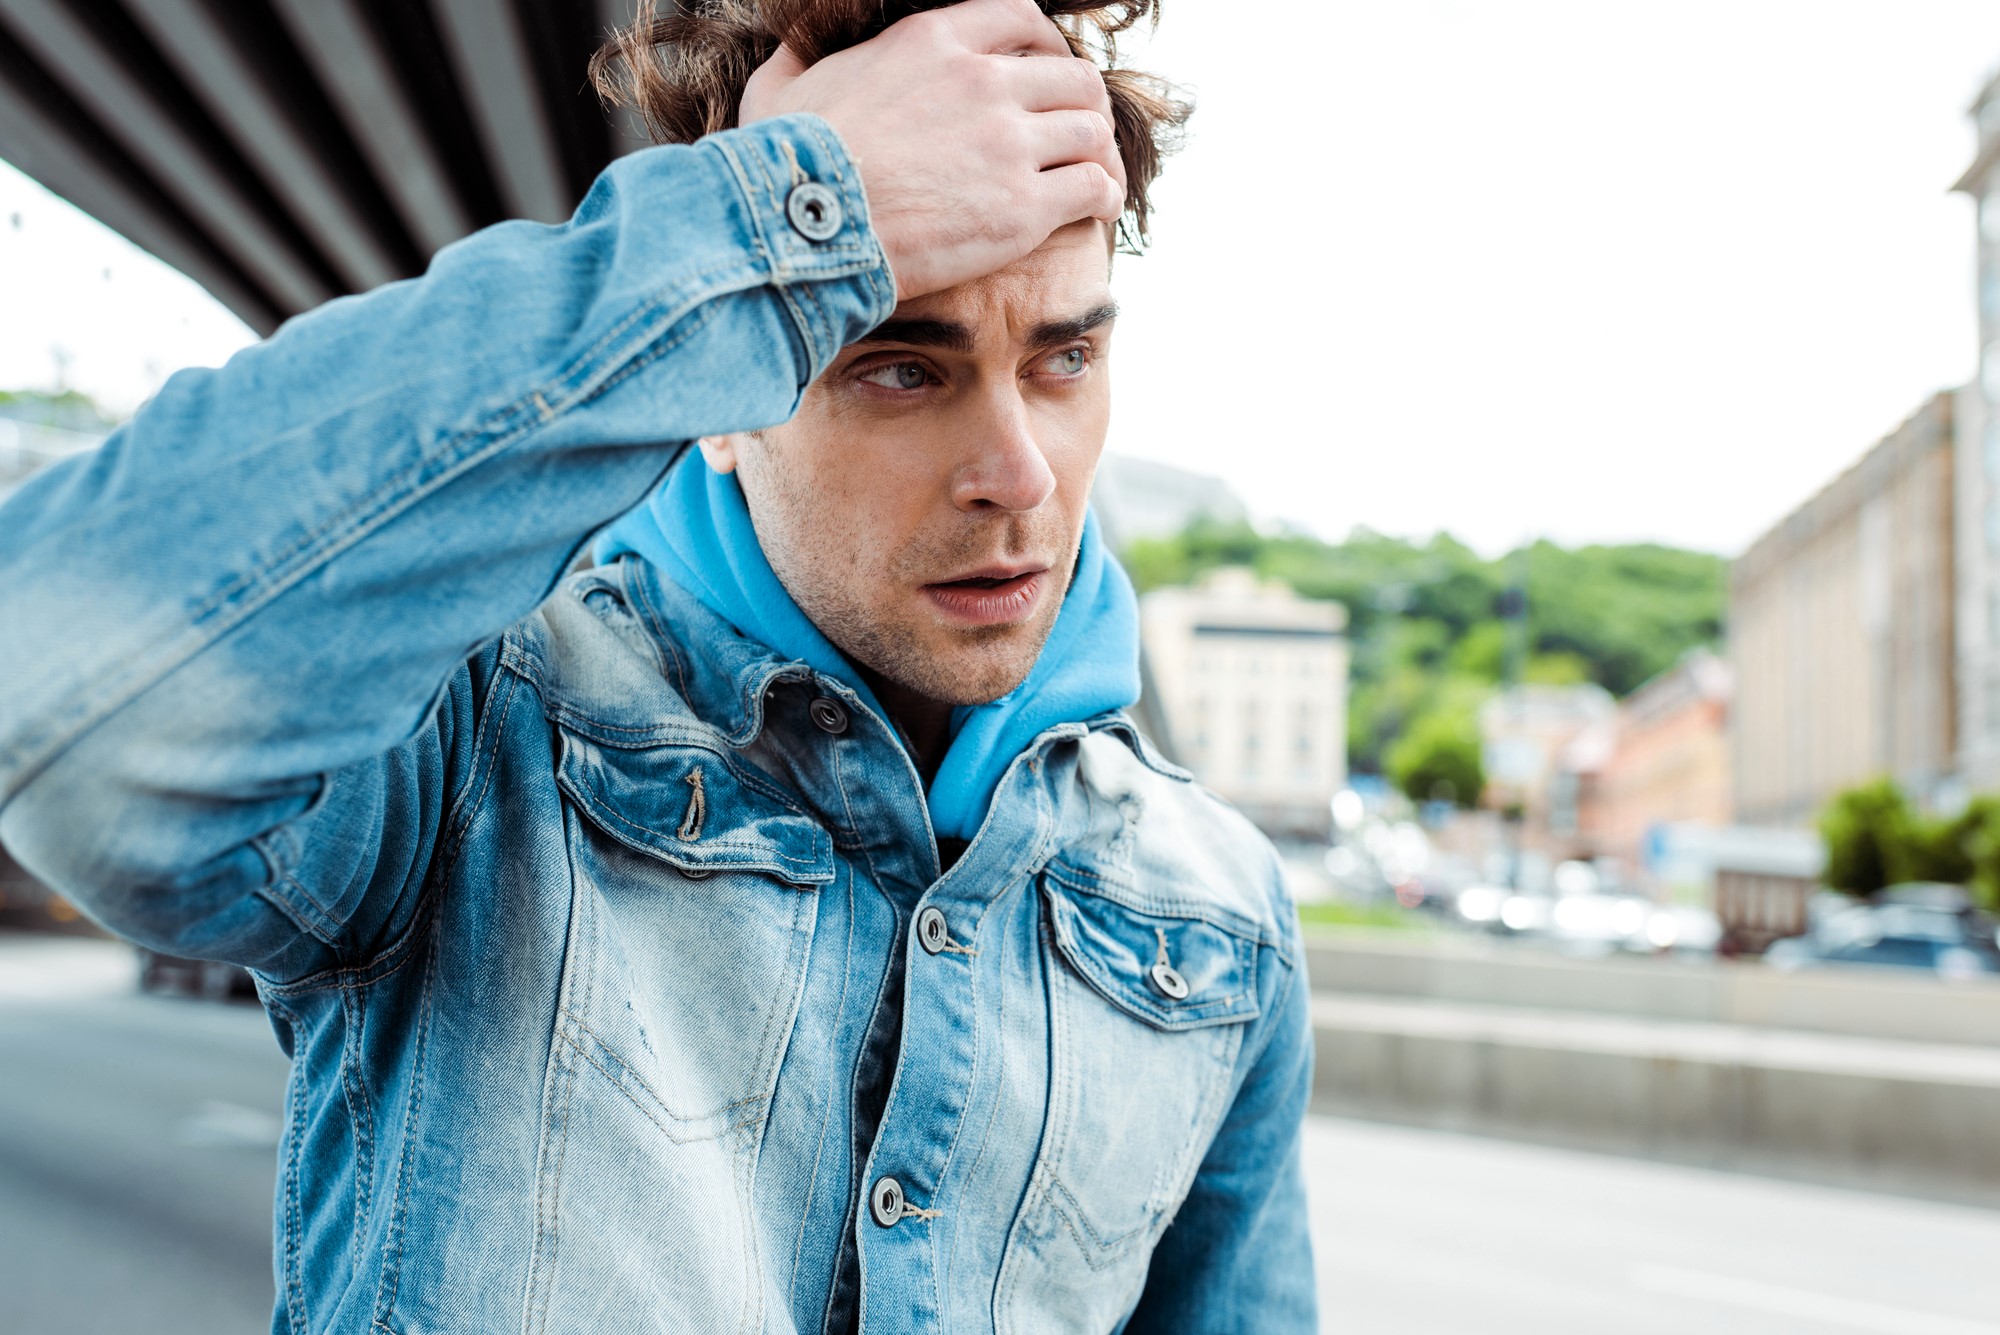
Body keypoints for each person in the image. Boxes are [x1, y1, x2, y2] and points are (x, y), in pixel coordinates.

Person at [0, 0, 1316, 1329]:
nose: (1018, 476)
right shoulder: (483, 750)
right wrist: (766, 222)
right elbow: (56, 704)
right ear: (729, 395)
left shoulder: (1214, 917)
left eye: (1064, 358)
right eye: (898, 370)